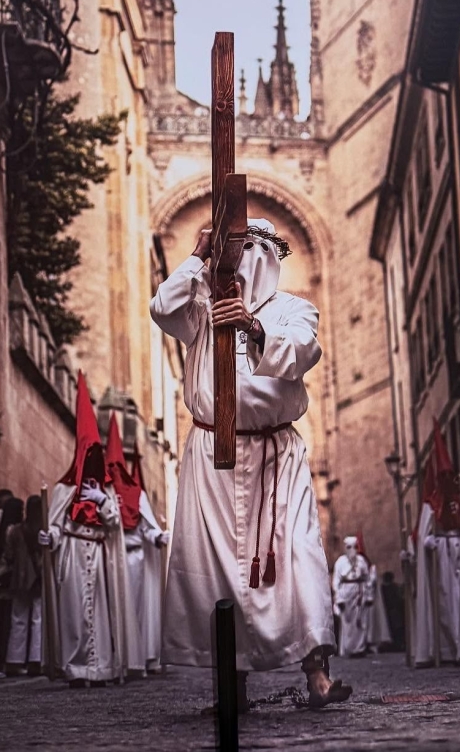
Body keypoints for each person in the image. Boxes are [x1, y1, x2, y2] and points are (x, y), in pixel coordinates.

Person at [150, 220, 350, 710]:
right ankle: (231, 686)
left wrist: (251, 325)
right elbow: (163, 308)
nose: (241, 260)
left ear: (266, 257)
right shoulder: (200, 308)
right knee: (219, 572)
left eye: (248, 250)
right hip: (212, 457)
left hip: (276, 455)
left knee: (299, 556)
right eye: (230, 250)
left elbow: (303, 352)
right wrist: (197, 255)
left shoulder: (293, 309)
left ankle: (317, 675)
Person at [38, 371, 136, 686]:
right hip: (72, 556)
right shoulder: (65, 489)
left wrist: (104, 503)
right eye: (89, 454)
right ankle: (76, 668)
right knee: (73, 616)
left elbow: (115, 524)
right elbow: (56, 524)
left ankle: (100, 668)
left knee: (101, 615)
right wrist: (49, 536)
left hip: (98, 555)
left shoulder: (105, 490)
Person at [105, 418, 169, 675]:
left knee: (136, 610)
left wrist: (157, 537)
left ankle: (140, 658)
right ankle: (115, 659)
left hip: (134, 559)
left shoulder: (136, 494)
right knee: (112, 610)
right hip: (109, 559)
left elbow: (145, 526)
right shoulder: (100, 492)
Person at [413, 421, 460, 667]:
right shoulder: (430, 504)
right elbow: (422, 534)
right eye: (442, 475)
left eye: (449, 474)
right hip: (443, 555)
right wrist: (428, 541)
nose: (447, 478)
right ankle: (452, 647)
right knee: (447, 600)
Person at [4, 495, 43, 675]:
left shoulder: (15, 530)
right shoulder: (44, 531)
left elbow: (9, 555)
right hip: (39, 577)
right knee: (38, 618)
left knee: (18, 619)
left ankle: (15, 660)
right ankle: (36, 659)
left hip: (19, 578)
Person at [0, 498, 25, 673]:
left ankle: (0, 659)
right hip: (10, 577)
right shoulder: (14, 529)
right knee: (9, 620)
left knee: (0, 619)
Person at [332, 536, 372, 658]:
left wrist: (368, 595)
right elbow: (336, 582)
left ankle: (360, 648)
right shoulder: (340, 562)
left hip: (359, 593)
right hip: (346, 594)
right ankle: (348, 648)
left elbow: (367, 579)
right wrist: (339, 599)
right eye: (349, 547)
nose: (352, 550)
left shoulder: (361, 561)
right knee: (348, 622)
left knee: (360, 622)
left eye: (354, 547)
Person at [381, 572, 406, 652]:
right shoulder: (394, 587)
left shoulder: (383, 588)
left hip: (390, 611)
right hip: (394, 611)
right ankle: (398, 645)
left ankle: (396, 645)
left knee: (395, 629)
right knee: (397, 629)